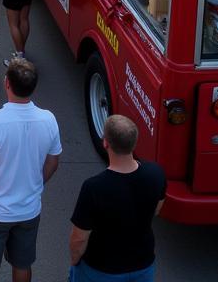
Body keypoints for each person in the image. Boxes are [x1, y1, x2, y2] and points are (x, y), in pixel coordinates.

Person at [0, 58, 61, 282]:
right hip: (29, 210)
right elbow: (53, 162)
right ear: (34, 87)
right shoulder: (49, 120)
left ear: (6, 83)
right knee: (22, 263)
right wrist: (35, 184)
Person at [68, 115, 166, 282]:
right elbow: (156, 209)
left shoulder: (94, 187)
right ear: (134, 143)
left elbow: (79, 238)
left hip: (101, 269)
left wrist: (75, 261)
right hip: (143, 264)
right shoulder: (156, 174)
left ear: (105, 143)